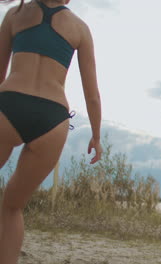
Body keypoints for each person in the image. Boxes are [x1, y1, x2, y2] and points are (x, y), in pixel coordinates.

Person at [0, 0, 102, 262]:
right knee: (12, 207)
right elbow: (92, 95)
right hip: (52, 117)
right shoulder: (79, 28)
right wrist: (96, 136)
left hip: (9, 104)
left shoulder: (16, 14)